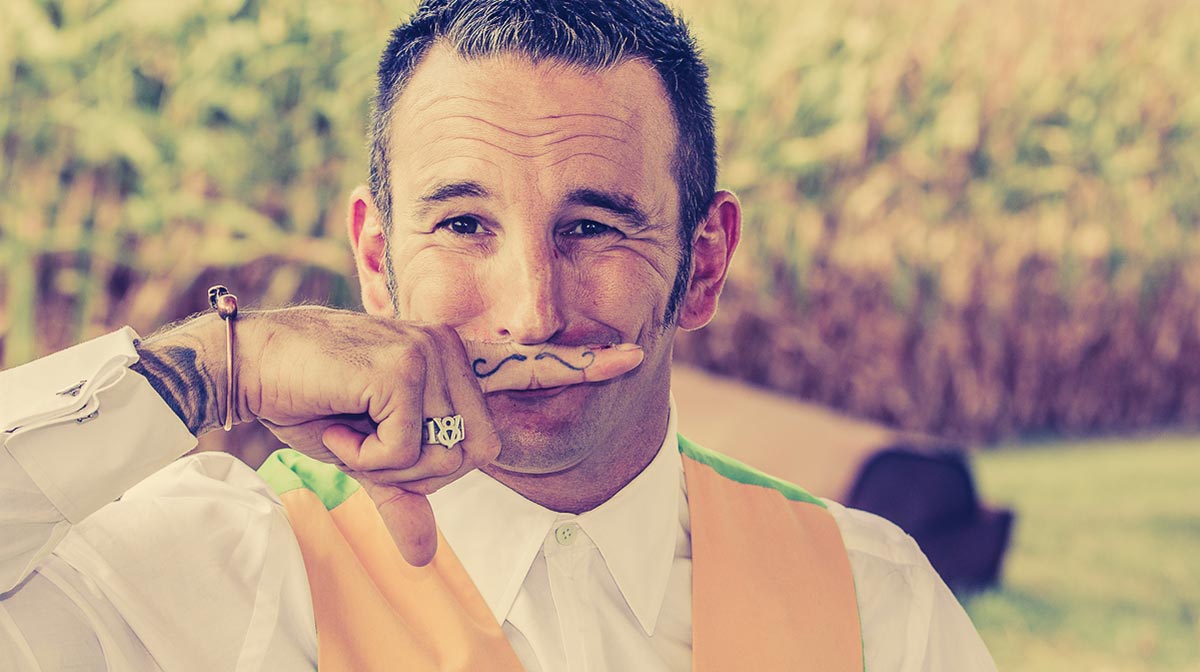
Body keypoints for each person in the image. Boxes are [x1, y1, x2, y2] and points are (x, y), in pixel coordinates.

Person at [0, 0, 996, 670]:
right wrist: (215, 367)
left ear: (704, 261)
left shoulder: (875, 603)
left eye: (595, 227)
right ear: (376, 260)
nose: (531, 310)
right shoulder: (221, 573)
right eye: (465, 225)